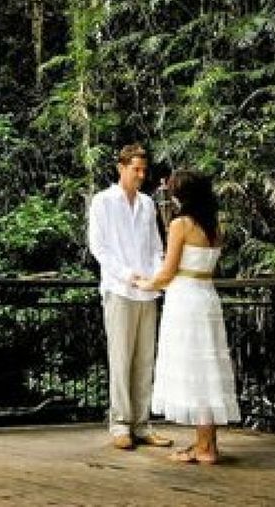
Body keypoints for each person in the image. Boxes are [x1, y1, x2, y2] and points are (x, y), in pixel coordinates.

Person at [133, 169, 240, 464]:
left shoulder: (180, 225)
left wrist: (144, 283)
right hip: (207, 296)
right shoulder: (215, 227)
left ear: (183, 195)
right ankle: (207, 444)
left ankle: (204, 448)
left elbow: (167, 273)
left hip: (185, 300)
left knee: (194, 369)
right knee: (207, 369)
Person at [88, 143, 172, 451]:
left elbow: (155, 247)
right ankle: (120, 425)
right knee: (120, 359)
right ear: (121, 168)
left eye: (143, 170)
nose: (140, 175)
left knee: (144, 360)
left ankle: (142, 424)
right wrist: (129, 275)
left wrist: (155, 277)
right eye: (135, 169)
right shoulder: (103, 201)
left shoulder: (148, 203)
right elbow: (99, 247)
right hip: (119, 289)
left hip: (147, 292)